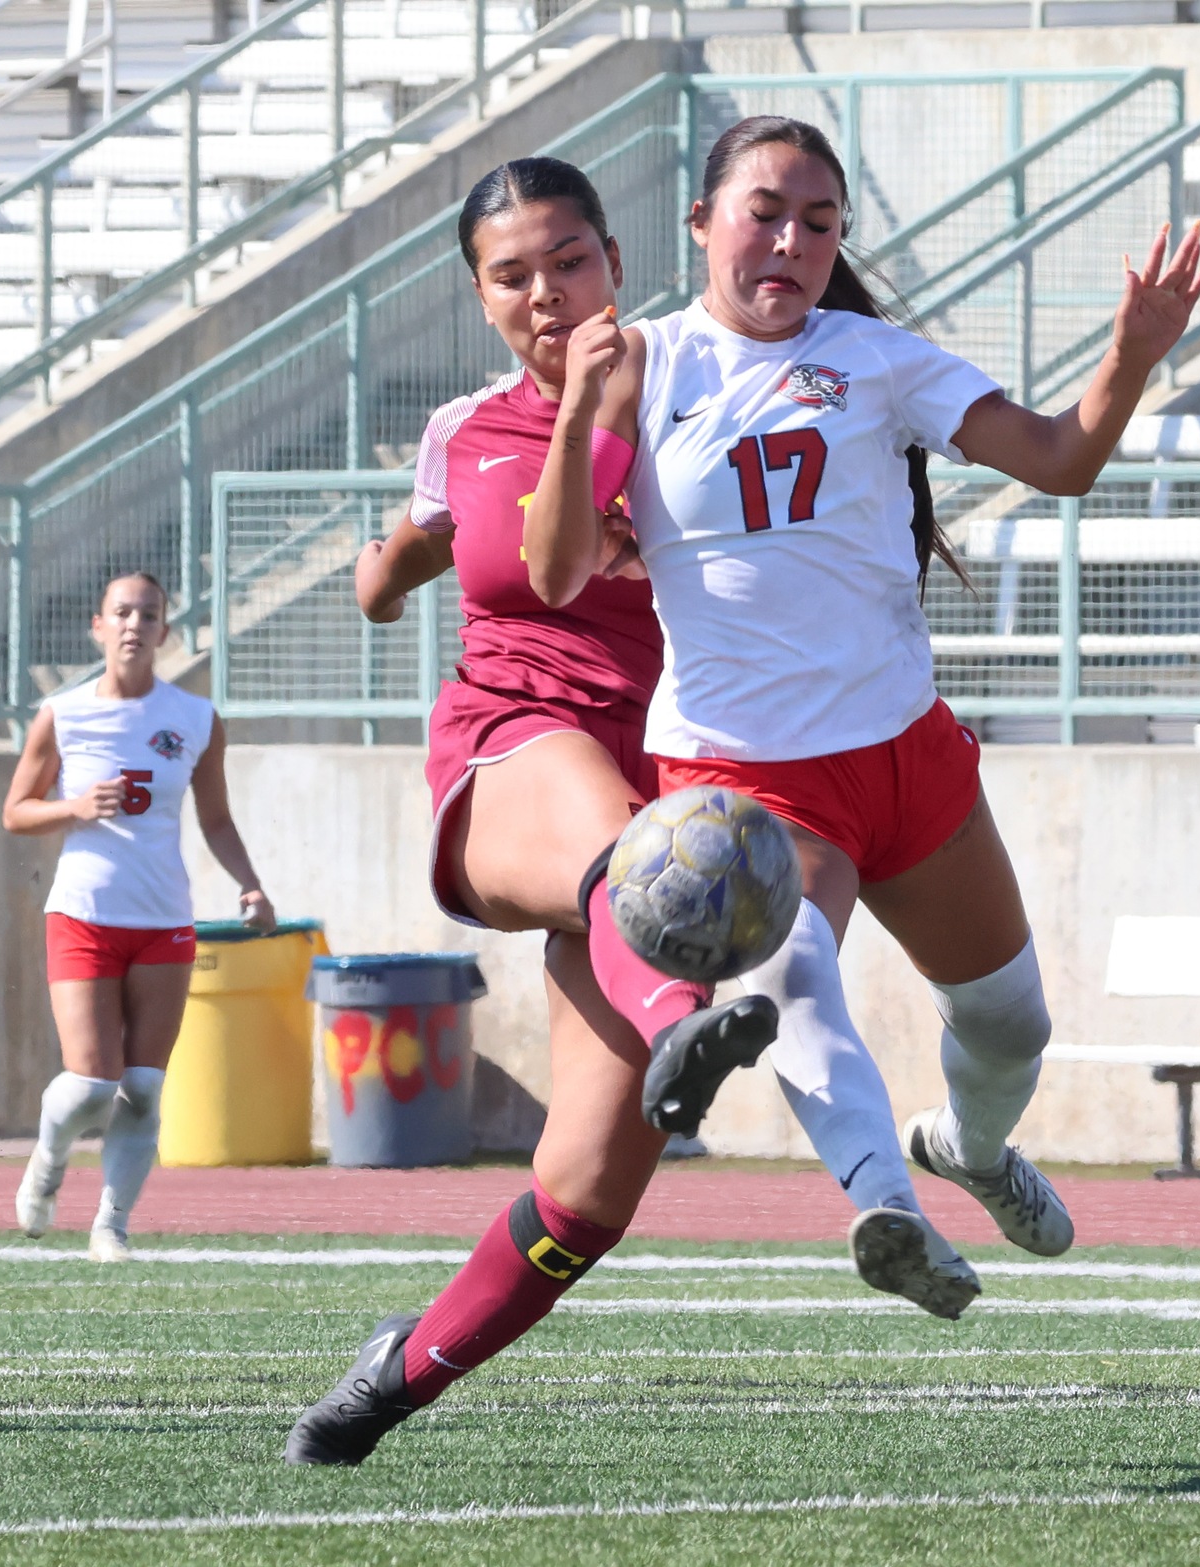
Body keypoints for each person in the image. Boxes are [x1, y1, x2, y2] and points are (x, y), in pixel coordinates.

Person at [527, 117, 1200, 1320]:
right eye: (762, 213)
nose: (788, 242)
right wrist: (578, 415)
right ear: (699, 223)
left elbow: (1059, 460)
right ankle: (886, 1207)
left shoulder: (876, 358)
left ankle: (969, 1151)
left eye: (818, 223)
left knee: (1007, 1028)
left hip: (902, 754)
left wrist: (1132, 354)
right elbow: (556, 573)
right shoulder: (643, 361)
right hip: (743, 777)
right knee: (793, 984)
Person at [282, 157, 780, 1468]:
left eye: (568, 262)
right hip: (512, 757)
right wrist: (385, 570)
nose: (546, 294)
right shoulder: (470, 432)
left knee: (586, 1193)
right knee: (635, 854)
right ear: (477, 295)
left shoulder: (703, 395)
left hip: (657, 776)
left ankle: (402, 1367)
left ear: (615, 262)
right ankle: (688, 1019)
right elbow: (402, 560)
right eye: (511, 275)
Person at [2, 572, 277, 1263]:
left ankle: (110, 1226)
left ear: (164, 632)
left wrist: (250, 884)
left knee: (144, 1088)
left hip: (163, 920)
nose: (133, 624)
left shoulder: (194, 718)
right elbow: (15, 811)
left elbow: (215, 818)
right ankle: (48, 1159)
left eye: (147, 614)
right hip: (84, 913)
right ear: (98, 626)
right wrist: (72, 807)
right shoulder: (62, 714)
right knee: (93, 1081)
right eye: (121, 612)